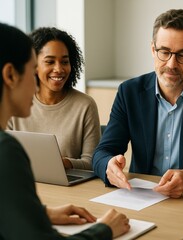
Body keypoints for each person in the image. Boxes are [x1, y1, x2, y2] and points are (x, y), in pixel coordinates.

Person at [0, 22, 130, 239]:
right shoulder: (5, 150)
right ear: (11, 75)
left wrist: (42, 214)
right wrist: (104, 229)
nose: (36, 85)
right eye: (34, 71)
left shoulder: (83, 104)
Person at [93, 9, 183, 198]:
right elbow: (102, 152)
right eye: (165, 52)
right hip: (140, 197)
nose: (171, 64)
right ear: (153, 50)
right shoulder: (129, 92)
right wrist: (108, 165)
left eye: (182, 54)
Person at [7, 27, 100, 170]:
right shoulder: (18, 104)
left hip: (71, 189)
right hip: (25, 181)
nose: (58, 69)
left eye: (64, 62)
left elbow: (93, 162)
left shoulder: (85, 105)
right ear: (34, 65)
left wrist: (64, 164)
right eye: (50, 62)